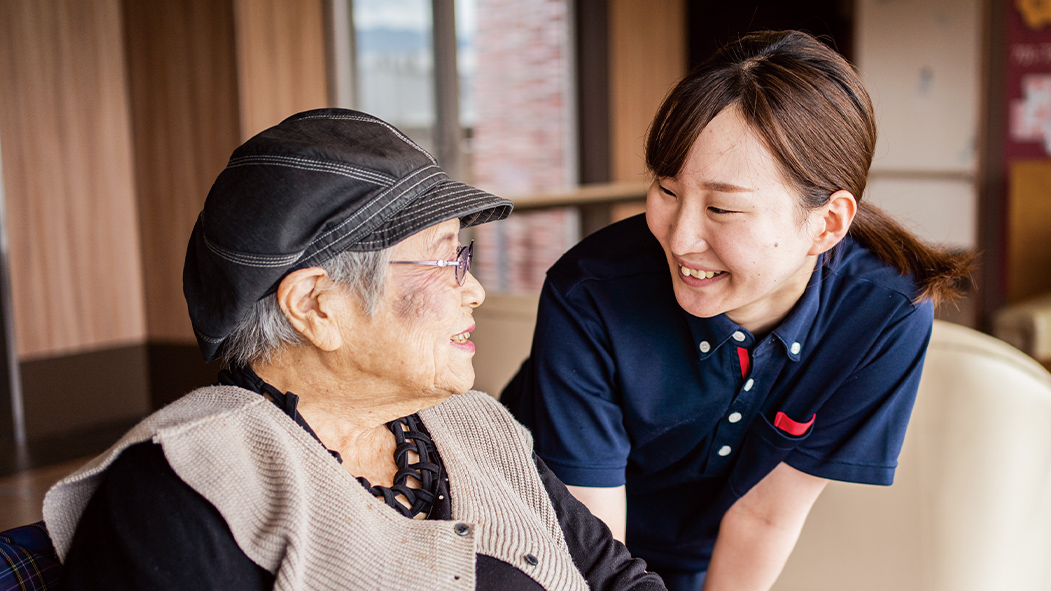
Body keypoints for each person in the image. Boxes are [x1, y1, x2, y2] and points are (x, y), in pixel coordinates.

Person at [42, 109, 666, 591]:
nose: (473, 289)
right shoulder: (185, 486)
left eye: (464, 256)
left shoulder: (479, 425)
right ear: (317, 305)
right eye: (445, 258)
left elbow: (617, 580)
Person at [501, 30, 973, 591]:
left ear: (826, 224)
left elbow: (765, 515)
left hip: (689, 562)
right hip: (533, 539)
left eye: (723, 208)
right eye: (667, 190)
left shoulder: (885, 313)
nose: (679, 240)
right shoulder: (591, 293)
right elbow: (593, 544)